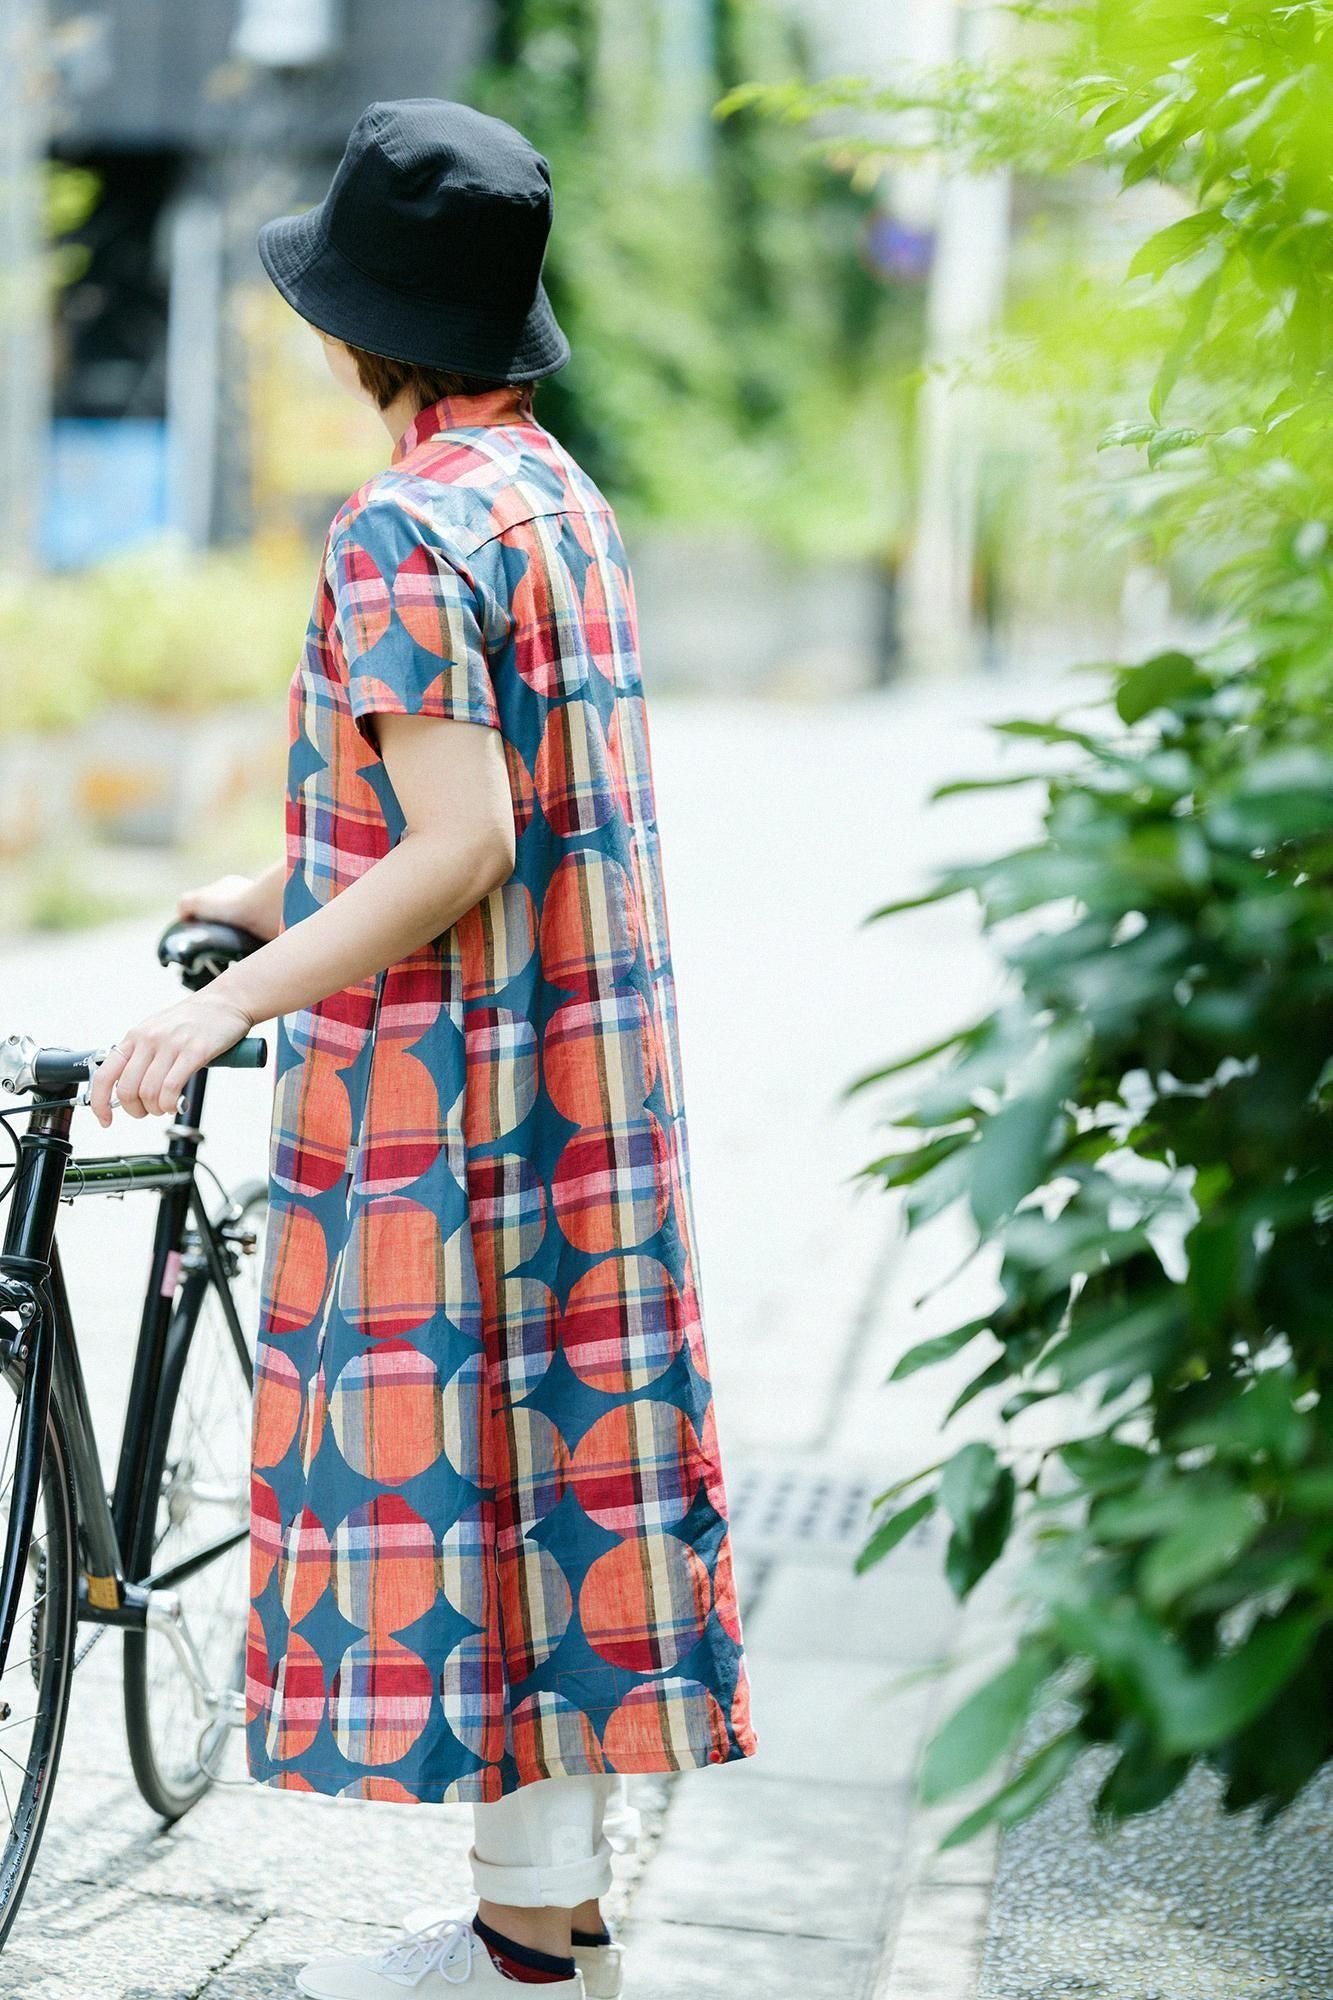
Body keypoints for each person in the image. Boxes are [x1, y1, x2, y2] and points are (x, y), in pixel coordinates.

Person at [90, 97, 757, 1999]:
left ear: (356, 321)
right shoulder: (551, 496)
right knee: (562, 1471)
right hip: (582, 1085)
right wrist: (264, 886)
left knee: (469, 1473)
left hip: (454, 1094)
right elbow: (477, 804)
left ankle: (514, 1955)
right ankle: (557, 1924)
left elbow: (459, 842)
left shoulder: (402, 524)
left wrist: (226, 996)